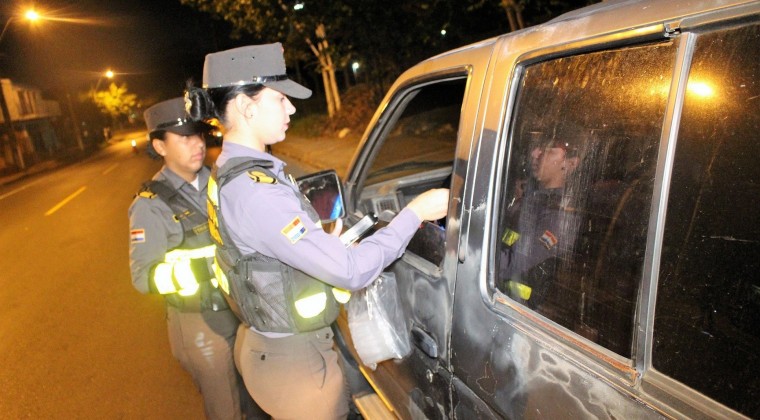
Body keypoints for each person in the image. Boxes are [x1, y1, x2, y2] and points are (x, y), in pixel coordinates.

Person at [185, 42, 449, 419]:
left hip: (268, 346)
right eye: (280, 98)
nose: (292, 108)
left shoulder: (233, 169)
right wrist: (414, 212)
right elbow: (352, 271)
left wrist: (320, 245)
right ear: (247, 106)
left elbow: (266, 251)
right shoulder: (256, 191)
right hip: (295, 365)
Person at [128, 97, 264, 420]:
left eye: (199, 135)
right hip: (200, 323)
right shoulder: (150, 205)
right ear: (160, 146)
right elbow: (142, 275)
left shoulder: (222, 180)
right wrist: (198, 269)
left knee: (260, 400)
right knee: (227, 410)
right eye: (184, 137)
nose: (197, 144)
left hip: (242, 308)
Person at [498, 122, 588, 309]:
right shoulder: (530, 196)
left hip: (517, 313)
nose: (535, 153)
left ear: (570, 164)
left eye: (548, 150)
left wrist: (470, 251)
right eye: (538, 147)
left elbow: (513, 263)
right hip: (500, 298)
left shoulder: (559, 215)